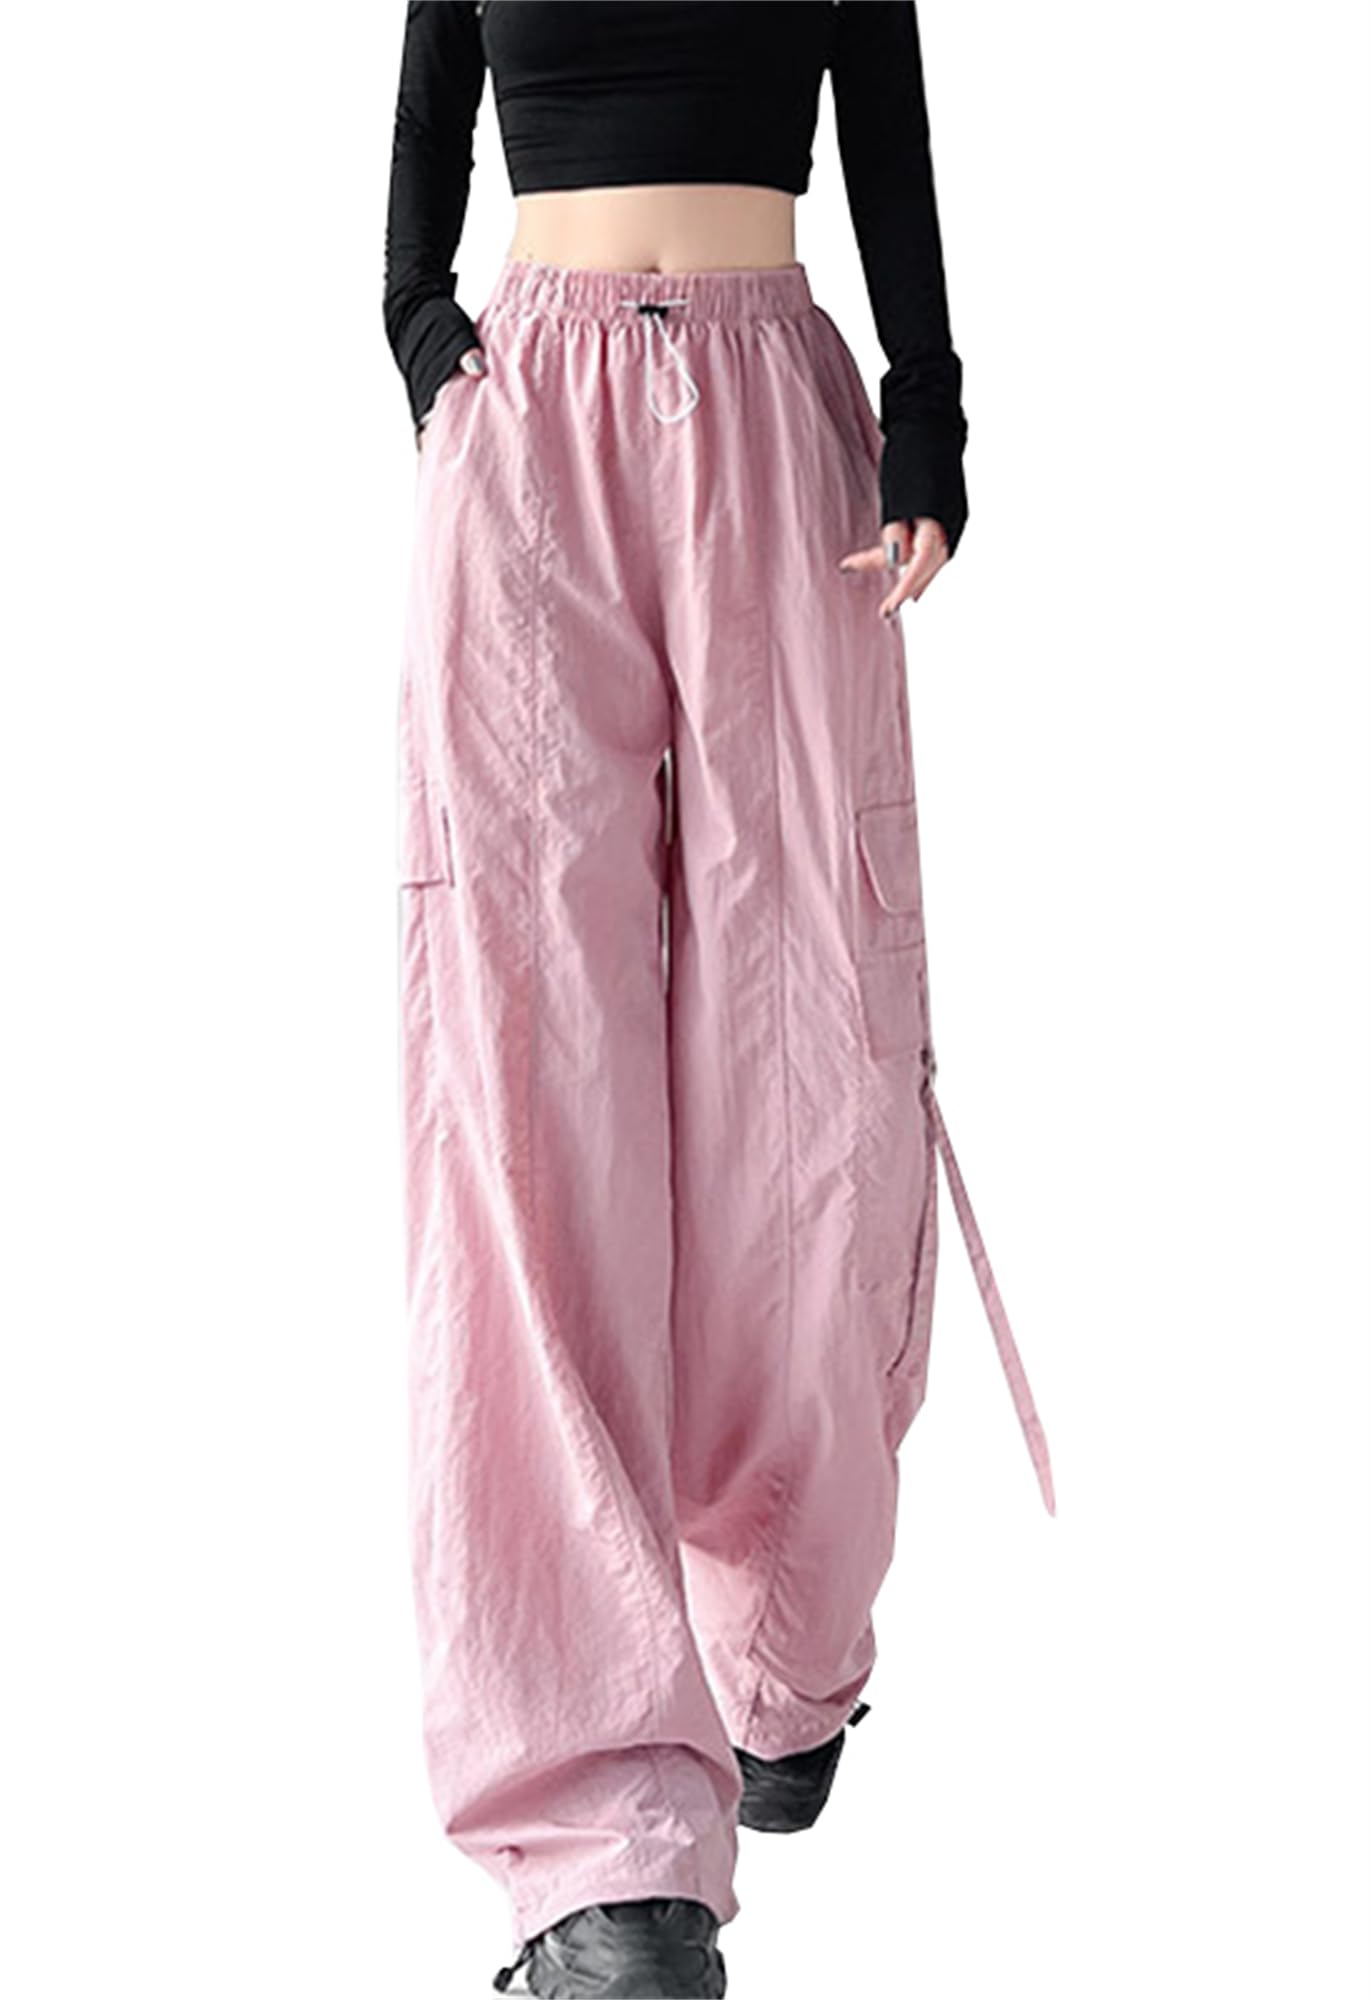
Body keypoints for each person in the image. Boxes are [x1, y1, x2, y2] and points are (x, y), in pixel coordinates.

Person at [382, 5, 1055, 1993]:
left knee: (806, 1057)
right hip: (529, 414)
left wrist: (928, 411)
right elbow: (425, 125)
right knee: (524, 1077)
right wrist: (423, 341)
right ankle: (606, 1856)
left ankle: (782, 1627)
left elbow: (887, 130)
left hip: (779, 412)